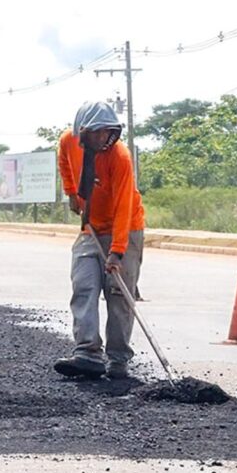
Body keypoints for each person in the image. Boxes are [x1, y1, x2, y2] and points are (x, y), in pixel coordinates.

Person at [53, 101, 145, 380]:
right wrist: (71, 192)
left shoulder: (120, 157)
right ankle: (88, 353)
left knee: (118, 294)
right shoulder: (68, 141)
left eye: (107, 132)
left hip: (125, 228)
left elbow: (123, 207)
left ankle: (118, 360)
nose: (102, 137)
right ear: (83, 132)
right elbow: (64, 162)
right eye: (96, 132)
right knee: (84, 285)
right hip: (90, 227)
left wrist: (117, 251)